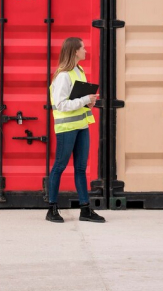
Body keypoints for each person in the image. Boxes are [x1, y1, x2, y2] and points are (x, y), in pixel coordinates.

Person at [45, 37, 106, 223]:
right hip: (66, 128)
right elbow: (61, 104)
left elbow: (76, 100)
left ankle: (85, 210)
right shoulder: (63, 76)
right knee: (59, 166)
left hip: (81, 126)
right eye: (83, 48)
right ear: (75, 52)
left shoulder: (79, 71)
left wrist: (89, 103)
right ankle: (52, 209)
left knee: (80, 168)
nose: (86, 51)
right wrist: (85, 100)